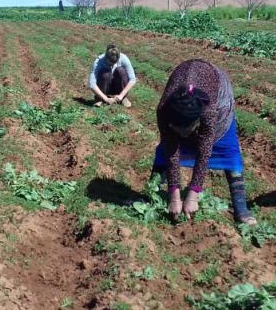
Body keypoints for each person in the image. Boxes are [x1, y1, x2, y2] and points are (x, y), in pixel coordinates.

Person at [151, 59, 256, 225]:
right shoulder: (164, 110)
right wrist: (174, 197)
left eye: (186, 130)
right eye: (177, 130)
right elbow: (172, 151)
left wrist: (193, 195)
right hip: (186, 83)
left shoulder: (209, 111)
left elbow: (204, 151)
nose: (182, 135)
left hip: (218, 94)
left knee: (226, 150)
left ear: (197, 122)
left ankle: (240, 207)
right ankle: (153, 193)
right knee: (165, 150)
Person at [88, 44, 137, 108]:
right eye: (110, 63)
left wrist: (121, 96)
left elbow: (132, 79)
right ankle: (99, 98)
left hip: (118, 88)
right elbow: (92, 84)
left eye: (114, 63)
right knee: (106, 73)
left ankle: (122, 98)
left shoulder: (124, 58)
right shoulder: (98, 62)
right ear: (106, 57)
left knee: (121, 70)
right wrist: (106, 99)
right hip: (104, 87)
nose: (112, 65)